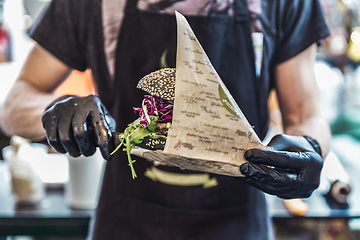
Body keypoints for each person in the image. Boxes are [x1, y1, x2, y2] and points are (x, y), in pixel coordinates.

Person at [0, 0, 331, 239]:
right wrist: (56, 110)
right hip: (126, 222)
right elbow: (14, 104)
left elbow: (305, 114)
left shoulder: (282, 4)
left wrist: (310, 147)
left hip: (238, 222)